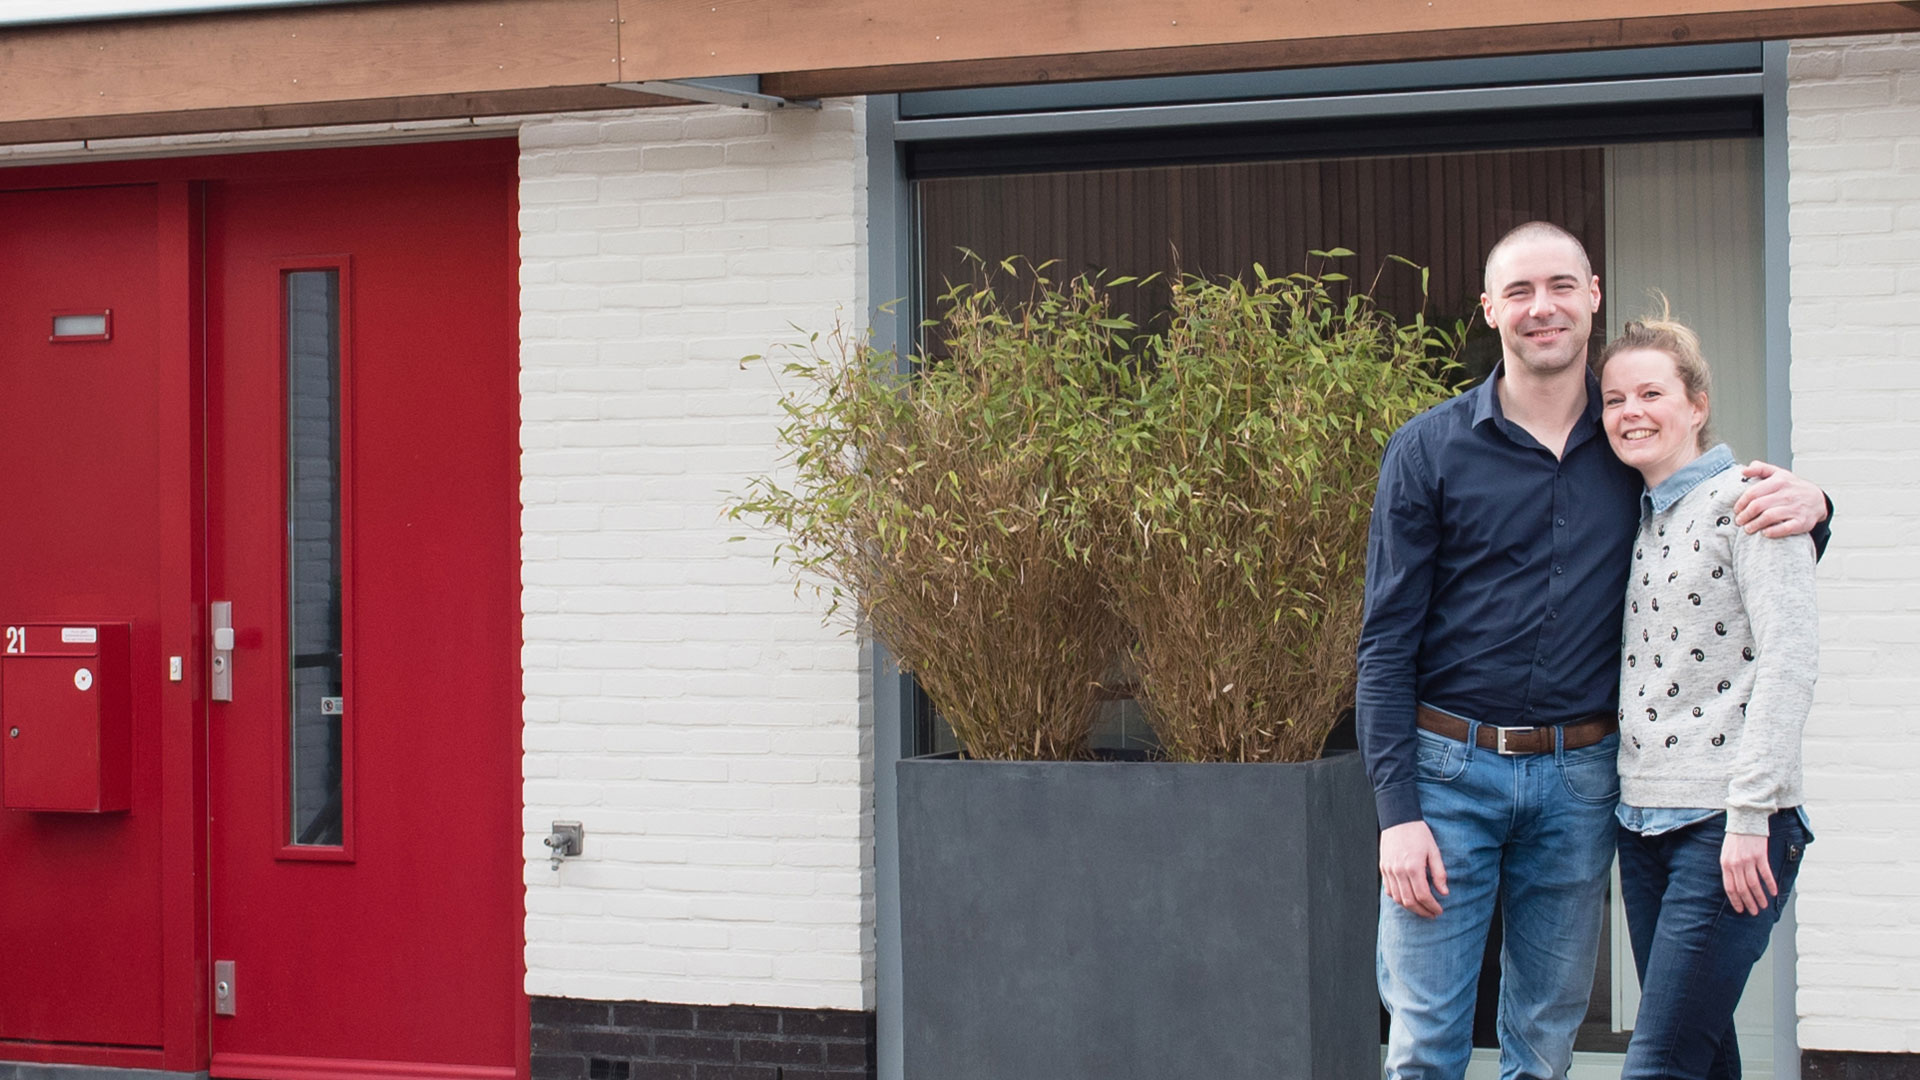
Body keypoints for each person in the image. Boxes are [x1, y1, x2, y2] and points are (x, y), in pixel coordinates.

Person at [1355, 220, 1830, 1080]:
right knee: (1424, 1042)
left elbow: (1724, 539)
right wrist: (1397, 815)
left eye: (1562, 287)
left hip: (1580, 783)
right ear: (1491, 308)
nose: (1544, 309)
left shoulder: (1631, 449)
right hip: (1445, 774)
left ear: (1593, 296)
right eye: (1522, 292)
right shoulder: (1427, 450)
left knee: (1544, 1041)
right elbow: (1384, 645)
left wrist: (1817, 507)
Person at [1598, 315, 1817, 1080]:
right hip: (1641, 823)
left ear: (1696, 403)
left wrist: (1752, 814)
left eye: (1652, 392)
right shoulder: (1634, 519)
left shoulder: (1752, 503)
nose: (1632, 411)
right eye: (1615, 398)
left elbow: (1790, 661)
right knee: (1704, 1055)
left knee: (1656, 1065)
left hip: (1728, 825)